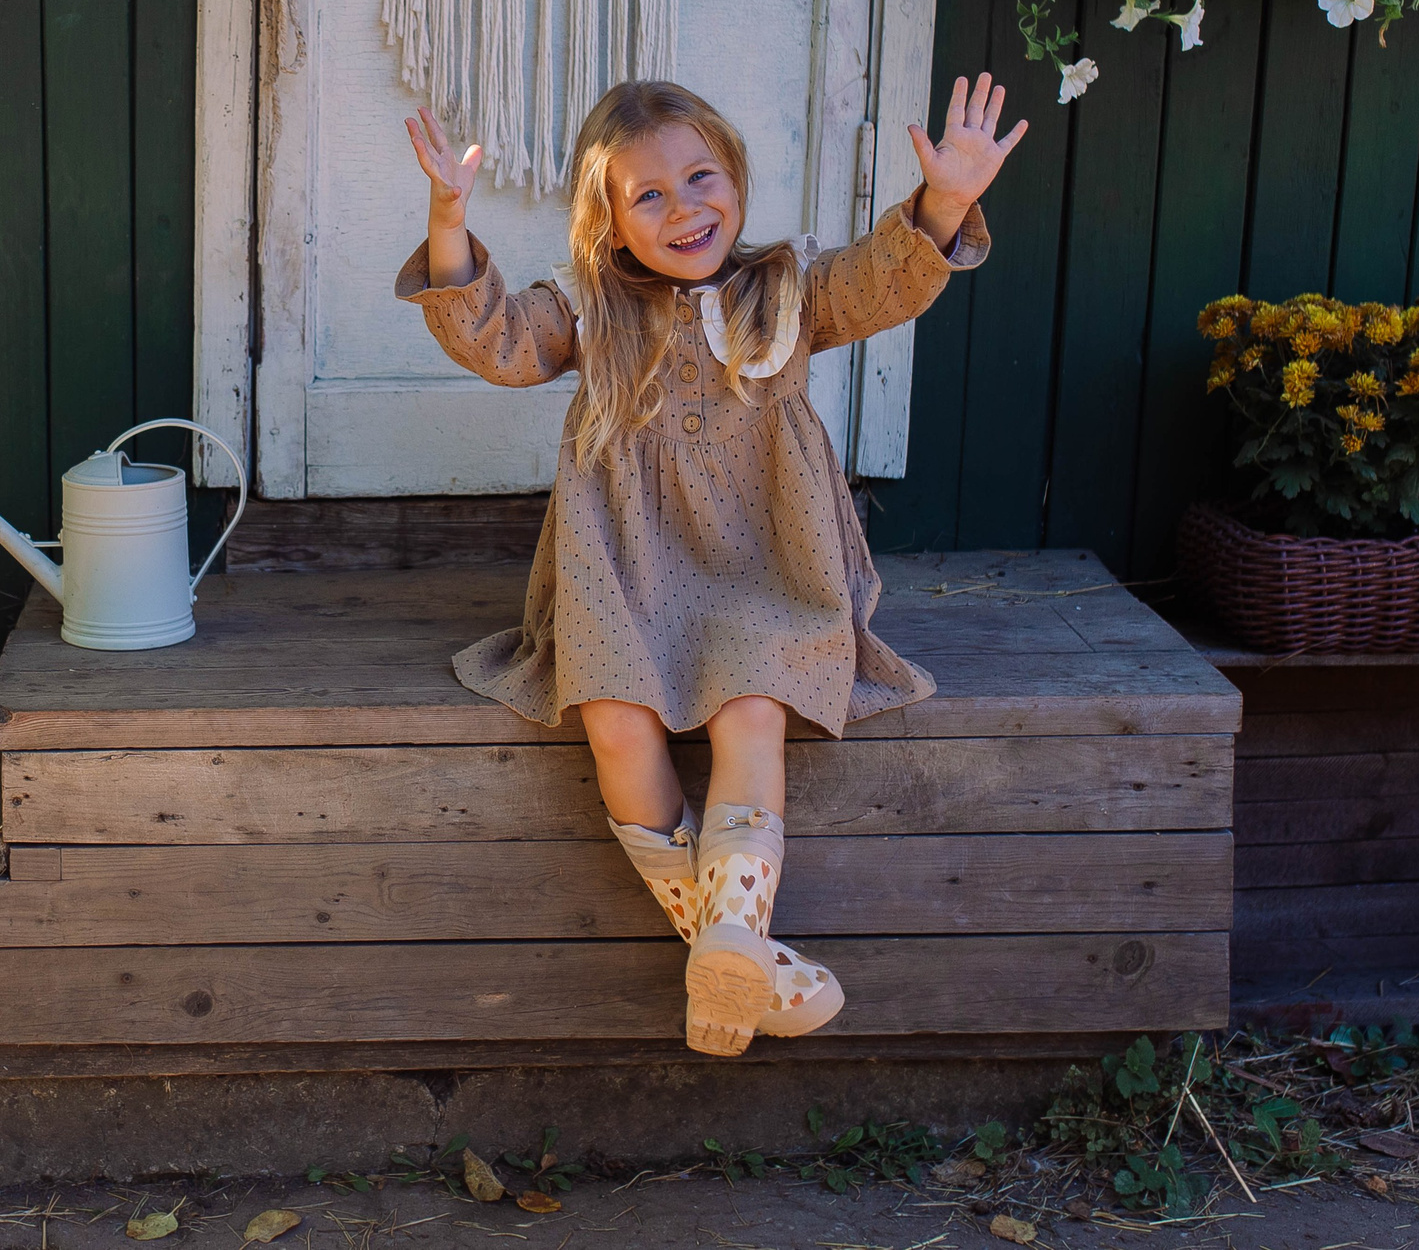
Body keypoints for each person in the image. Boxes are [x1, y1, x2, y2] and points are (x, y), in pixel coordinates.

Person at [395, 75, 1026, 1055]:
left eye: (700, 177)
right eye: (647, 195)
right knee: (611, 721)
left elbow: (887, 280)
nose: (684, 206)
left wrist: (944, 200)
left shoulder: (791, 286)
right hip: (628, 573)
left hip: (766, 572)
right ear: (607, 224)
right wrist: (447, 219)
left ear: (734, 177)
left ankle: (731, 938)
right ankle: (736, 954)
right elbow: (498, 345)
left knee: (751, 708)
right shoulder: (586, 310)